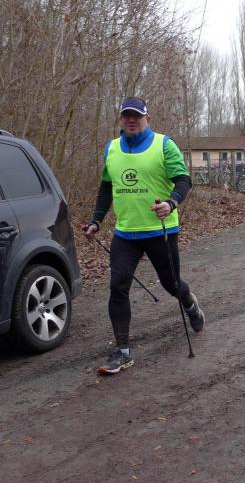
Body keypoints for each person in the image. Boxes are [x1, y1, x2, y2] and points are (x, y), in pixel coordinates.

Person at [83, 97, 204, 374]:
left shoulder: (164, 145)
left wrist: (171, 202)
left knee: (171, 284)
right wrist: (96, 221)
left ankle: (189, 304)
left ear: (147, 118)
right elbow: (106, 188)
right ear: (121, 119)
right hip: (125, 233)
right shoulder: (112, 149)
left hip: (160, 230)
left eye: (136, 116)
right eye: (126, 115)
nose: (131, 120)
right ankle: (122, 351)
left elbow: (184, 180)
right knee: (118, 287)